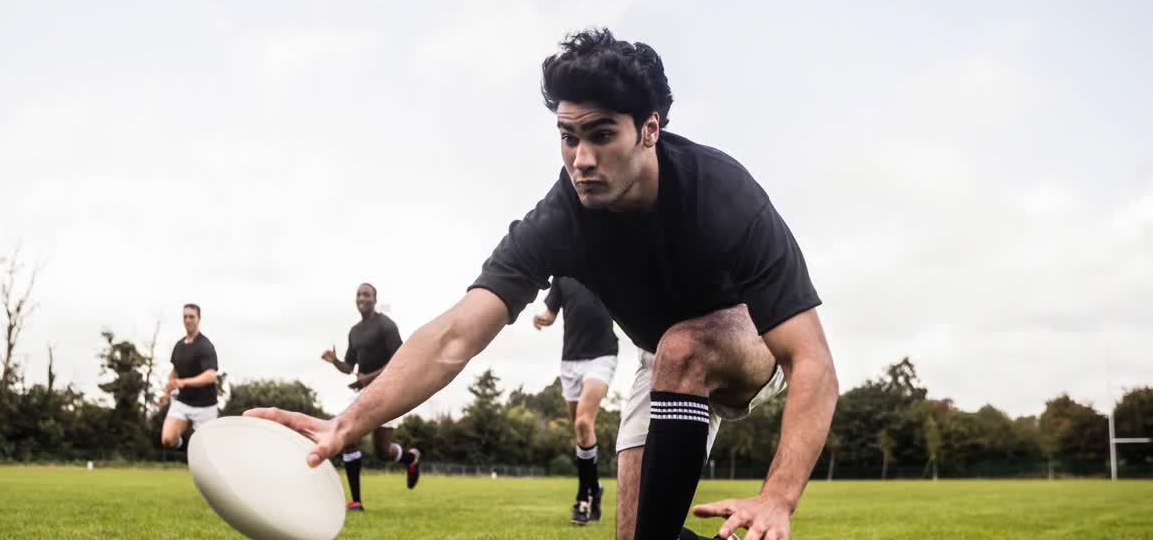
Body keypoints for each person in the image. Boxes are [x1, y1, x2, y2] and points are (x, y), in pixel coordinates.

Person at [249, 29, 838, 540]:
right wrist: (347, 422)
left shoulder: (723, 196)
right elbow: (457, 334)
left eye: (601, 135)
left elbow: (812, 360)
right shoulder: (560, 220)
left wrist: (777, 497)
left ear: (649, 130)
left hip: (746, 340)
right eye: (567, 136)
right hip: (660, 362)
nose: (581, 158)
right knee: (640, 530)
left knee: (683, 346)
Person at [320, 282, 422, 511]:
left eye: (366, 294)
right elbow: (349, 366)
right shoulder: (354, 332)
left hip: (390, 388)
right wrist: (335, 361)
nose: (361, 298)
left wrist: (369, 378)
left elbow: (400, 360)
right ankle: (356, 501)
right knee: (348, 437)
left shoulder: (386, 325)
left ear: (375, 299)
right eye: (358, 294)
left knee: (382, 452)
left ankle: (410, 459)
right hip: (364, 391)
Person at [532, 277, 619, 525]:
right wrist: (542, 319)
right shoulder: (562, 273)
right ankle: (595, 487)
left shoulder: (606, 264)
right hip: (569, 361)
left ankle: (583, 498)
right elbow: (551, 313)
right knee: (580, 434)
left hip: (602, 356)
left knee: (583, 423)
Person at [160, 303, 219, 448]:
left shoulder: (206, 346)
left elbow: (210, 375)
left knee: (206, 450)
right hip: (183, 403)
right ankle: (183, 444)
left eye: (191, 317)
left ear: (198, 319)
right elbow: (175, 372)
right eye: (185, 317)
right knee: (167, 440)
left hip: (206, 406)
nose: (188, 320)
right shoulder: (179, 346)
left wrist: (184, 382)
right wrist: (166, 393)